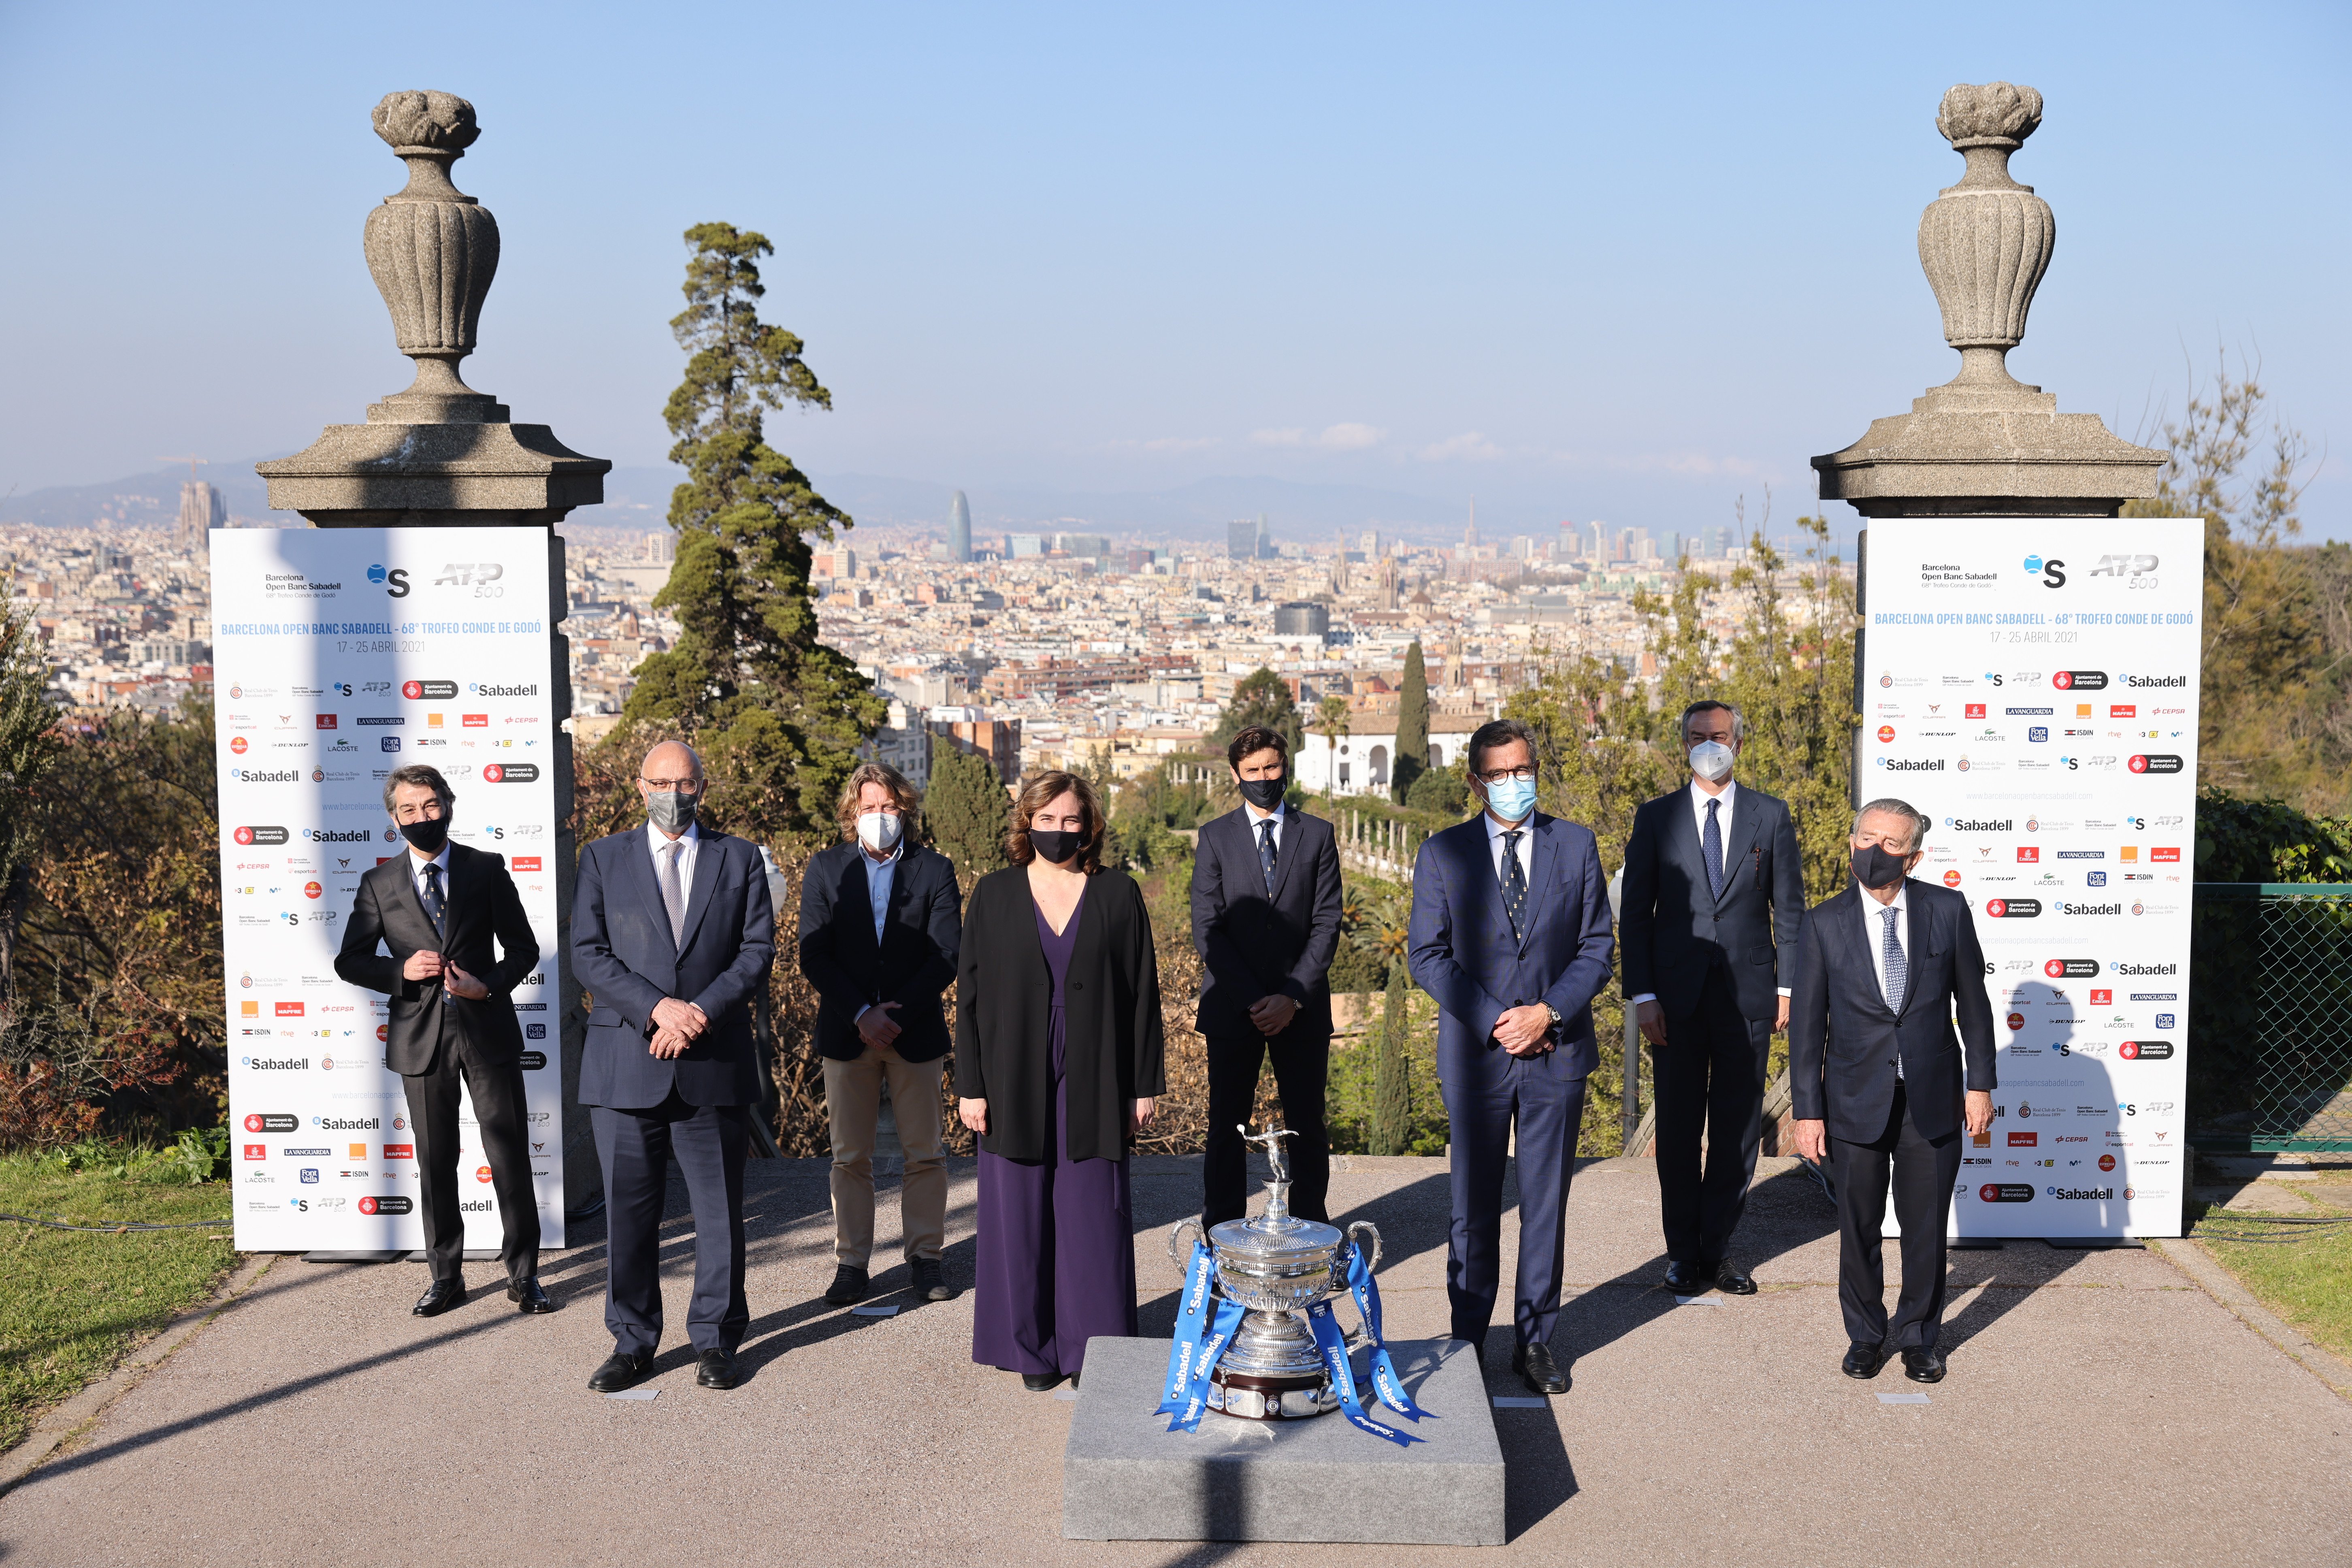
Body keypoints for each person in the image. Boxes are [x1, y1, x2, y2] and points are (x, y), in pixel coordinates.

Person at [1407, 719, 1614, 1396]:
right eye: (1497, 774)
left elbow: (1595, 946)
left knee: (1544, 1203)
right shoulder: (1443, 853)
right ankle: (1466, 1339)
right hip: (1476, 1057)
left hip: (1556, 1051)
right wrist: (1497, 1021)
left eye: (1521, 770)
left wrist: (1546, 1012)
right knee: (1471, 1204)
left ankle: (1535, 1341)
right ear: (1474, 781)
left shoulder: (1576, 844)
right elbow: (1427, 954)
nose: (1512, 783)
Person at [571, 740, 775, 1393]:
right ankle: (632, 1343)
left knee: (718, 1215)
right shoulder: (603, 857)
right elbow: (588, 953)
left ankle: (716, 1341)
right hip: (625, 1063)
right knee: (629, 1218)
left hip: (711, 1059)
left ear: (702, 788)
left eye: (685, 783)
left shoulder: (738, 857)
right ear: (639, 786)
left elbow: (755, 951)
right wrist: (658, 1008)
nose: (673, 794)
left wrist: (697, 1013)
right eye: (660, 782)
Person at [957, 770, 1164, 1392]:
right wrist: (971, 1086)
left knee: (1092, 1212)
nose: (1058, 830)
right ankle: (1031, 1353)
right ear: (1027, 824)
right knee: (1016, 1213)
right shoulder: (992, 895)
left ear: (1089, 826)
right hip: (1009, 1070)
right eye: (1046, 820)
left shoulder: (1119, 895)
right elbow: (968, 998)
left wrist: (1143, 1085)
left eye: (1071, 820)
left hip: (1097, 1071)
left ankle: (1092, 1350)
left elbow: (1142, 997)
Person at [1788, 799, 1996, 1385]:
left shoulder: (1947, 910)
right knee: (1856, 1227)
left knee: (1925, 1229)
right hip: (1853, 1102)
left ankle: (1920, 1337)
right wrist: (1809, 1112)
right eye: (1865, 838)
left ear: (1913, 857)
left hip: (1931, 1099)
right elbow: (1807, 1029)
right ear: (1850, 842)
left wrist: (1979, 1084)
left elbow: (1974, 1008)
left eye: (1889, 844)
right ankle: (1865, 1335)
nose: (1873, 851)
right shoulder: (1824, 922)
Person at [334, 764, 550, 1318]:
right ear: (393, 819)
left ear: (448, 805)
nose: (421, 818)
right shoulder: (378, 884)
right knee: (435, 1161)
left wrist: (486, 986)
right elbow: (350, 960)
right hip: (420, 1039)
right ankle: (445, 1276)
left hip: (487, 1030)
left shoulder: (485, 869)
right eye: (409, 810)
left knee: (508, 1156)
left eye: (430, 806)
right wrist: (400, 972)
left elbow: (524, 950)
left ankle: (524, 1275)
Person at [1619, 699, 1805, 1295]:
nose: (1710, 745)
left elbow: (1790, 911)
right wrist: (1642, 995)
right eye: (1699, 736)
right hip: (1673, 999)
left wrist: (1788, 988)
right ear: (1685, 744)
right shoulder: (1656, 818)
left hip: (1749, 998)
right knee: (1676, 1130)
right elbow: (1636, 917)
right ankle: (1681, 1254)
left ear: (1738, 744)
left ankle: (1719, 1252)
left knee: (1737, 1130)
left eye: (1719, 736)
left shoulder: (1771, 817)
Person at [798, 761, 963, 1307]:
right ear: (852, 813)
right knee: (850, 1156)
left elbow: (946, 954)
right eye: (869, 808)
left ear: (905, 810)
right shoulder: (825, 869)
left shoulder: (934, 870)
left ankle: (926, 1257)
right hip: (848, 1033)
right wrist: (861, 1013)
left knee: (925, 1152)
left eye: (889, 807)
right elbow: (814, 953)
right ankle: (852, 1262)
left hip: (914, 1032)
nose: (880, 816)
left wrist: (896, 1012)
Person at [1189, 724, 1342, 1228]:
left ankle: (1311, 1233)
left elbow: (1327, 920)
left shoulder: (1317, 833)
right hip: (1235, 1008)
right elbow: (1207, 926)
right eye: (1252, 770)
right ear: (1236, 774)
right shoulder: (1214, 837)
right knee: (1226, 1128)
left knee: (1308, 1128)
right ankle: (1222, 1235)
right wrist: (1257, 999)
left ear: (1285, 767)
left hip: (1302, 1007)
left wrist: (1292, 997)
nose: (1263, 777)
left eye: (1271, 767)